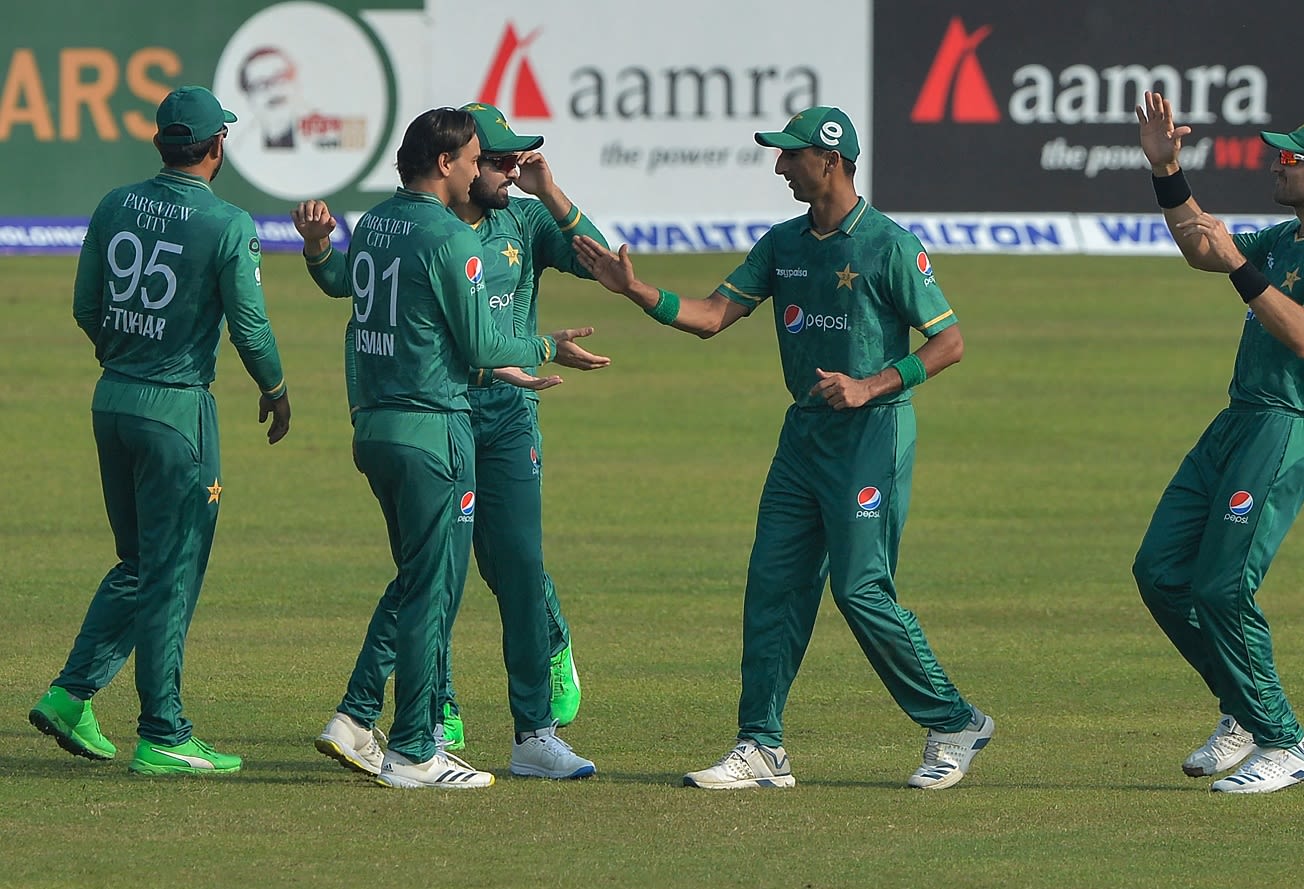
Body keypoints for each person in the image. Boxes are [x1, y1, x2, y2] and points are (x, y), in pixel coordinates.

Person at [574, 106, 994, 790]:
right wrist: (636, 291)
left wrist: (870, 385)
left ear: (830, 160)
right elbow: (711, 316)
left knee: (861, 590)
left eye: (790, 155)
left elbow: (949, 342)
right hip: (802, 438)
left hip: (871, 435)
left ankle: (954, 720)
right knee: (772, 586)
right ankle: (761, 746)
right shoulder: (783, 244)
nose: (779, 166)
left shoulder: (888, 245)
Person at [293, 102, 602, 781]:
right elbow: (480, 345)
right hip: (442, 416)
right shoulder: (443, 236)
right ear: (453, 162)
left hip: (442, 417)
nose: (506, 170)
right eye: (491, 161)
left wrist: (550, 192)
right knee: (434, 579)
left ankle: (530, 733)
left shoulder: (427, 220)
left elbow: (603, 263)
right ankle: (408, 729)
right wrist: (548, 345)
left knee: (500, 568)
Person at [28, 85, 292, 775]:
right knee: (170, 575)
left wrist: (123, 357)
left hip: (112, 398)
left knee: (140, 565)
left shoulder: (115, 203)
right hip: (176, 409)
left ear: (159, 144)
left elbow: (86, 303)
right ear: (215, 146)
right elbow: (251, 325)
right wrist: (276, 387)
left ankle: (69, 695)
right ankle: (163, 731)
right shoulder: (228, 222)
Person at [1132, 92, 1304, 794]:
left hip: (1286, 425)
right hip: (1238, 420)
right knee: (1160, 572)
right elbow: (1201, 248)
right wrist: (1167, 171)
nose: (1276, 164)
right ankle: (1242, 707)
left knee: (1222, 586)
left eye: (1289, 158)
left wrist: (1241, 266)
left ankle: (1286, 739)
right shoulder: (1287, 239)